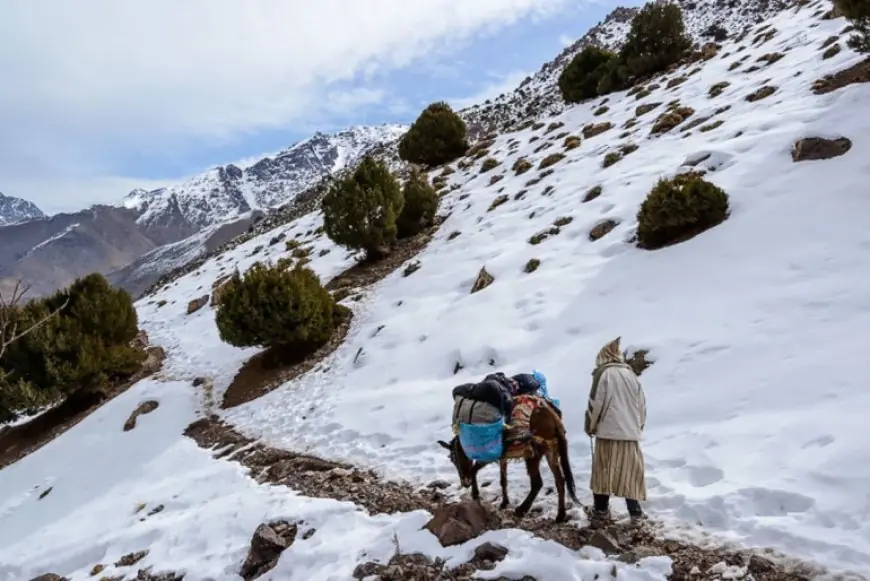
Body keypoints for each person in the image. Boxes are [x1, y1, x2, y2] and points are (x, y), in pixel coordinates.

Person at [584, 336, 647, 522]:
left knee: (603, 472)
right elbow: (642, 405)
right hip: (630, 433)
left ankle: (601, 511)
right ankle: (635, 513)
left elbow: (595, 404)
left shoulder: (603, 373)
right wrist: (637, 427)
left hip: (608, 433)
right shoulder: (631, 375)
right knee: (630, 473)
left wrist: (590, 426)